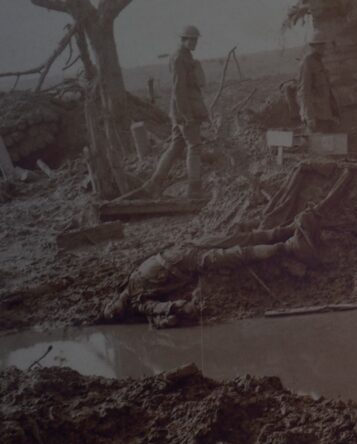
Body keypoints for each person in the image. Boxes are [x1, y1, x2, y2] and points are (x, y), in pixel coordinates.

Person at [102, 207, 326, 327]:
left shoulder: (133, 291)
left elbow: (170, 304)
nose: (118, 307)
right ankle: (289, 237)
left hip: (185, 253)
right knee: (238, 247)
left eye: (114, 307)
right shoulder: (135, 291)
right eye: (117, 311)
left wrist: (181, 308)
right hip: (187, 254)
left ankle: (288, 237)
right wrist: (179, 308)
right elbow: (164, 307)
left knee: (239, 245)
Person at [140, 25, 209, 200]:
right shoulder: (179, 57)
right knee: (194, 146)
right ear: (183, 39)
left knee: (177, 145)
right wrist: (185, 114)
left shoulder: (185, 55)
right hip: (185, 110)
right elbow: (179, 89)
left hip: (181, 110)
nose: (194, 43)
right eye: (191, 39)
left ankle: (153, 184)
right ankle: (194, 189)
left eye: (196, 39)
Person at [297, 30, 341, 133]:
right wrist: (309, 117)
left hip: (325, 115)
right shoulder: (307, 62)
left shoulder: (318, 62)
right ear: (313, 46)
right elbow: (304, 91)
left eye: (323, 44)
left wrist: (334, 113)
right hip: (316, 117)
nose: (323, 47)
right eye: (319, 45)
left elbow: (327, 91)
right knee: (317, 146)